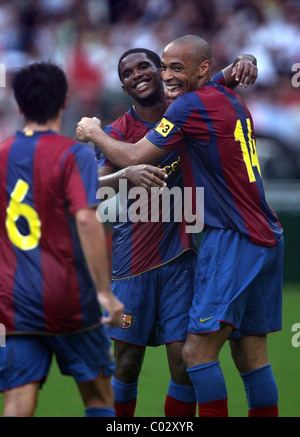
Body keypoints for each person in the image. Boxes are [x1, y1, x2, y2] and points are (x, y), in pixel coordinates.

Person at [76, 35, 284, 418]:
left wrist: (92, 132)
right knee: (128, 362)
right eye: (127, 72)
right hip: (134, 259)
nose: (144, 75)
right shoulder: (125, 126)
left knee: (188, 360)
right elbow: (89, 187)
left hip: (190, 251)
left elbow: (215, 71)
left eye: (153, 67)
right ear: (122, 86)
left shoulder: (186, 106)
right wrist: (125, 176)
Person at [0, 62, 124, 418]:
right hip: (68, 298)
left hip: (12, 302)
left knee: (18, 403)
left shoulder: (2, 153)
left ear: (20, 105)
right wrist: (104, 293)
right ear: (65, 101)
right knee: (99, 399)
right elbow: (86, 218)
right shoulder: (75, 153)